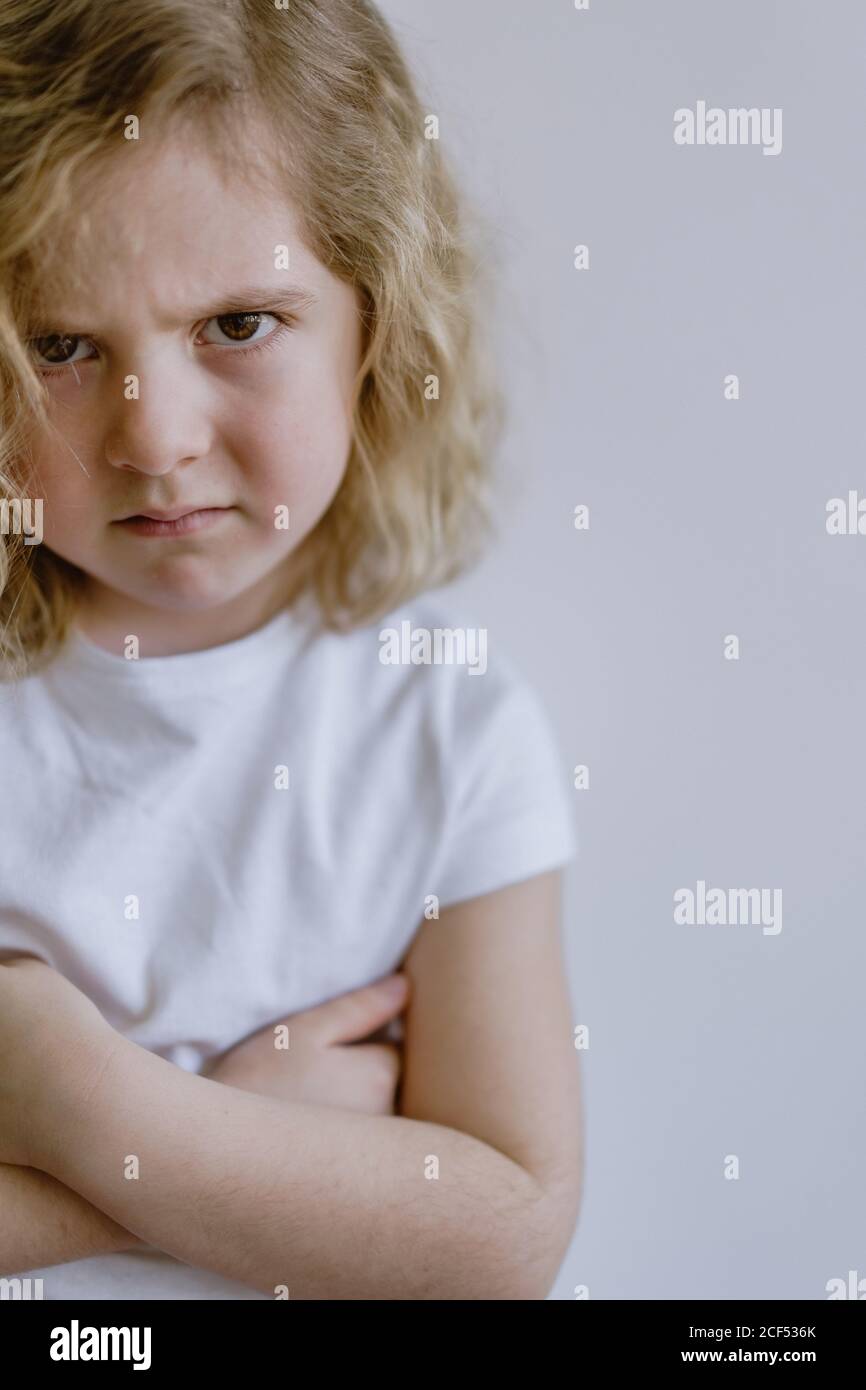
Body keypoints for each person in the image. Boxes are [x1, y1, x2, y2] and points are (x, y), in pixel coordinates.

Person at [0, 0, 582, 1299]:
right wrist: (245, 1137)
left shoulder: (449, 732)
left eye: (237, 325)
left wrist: (77, 1089)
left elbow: (501, 1237)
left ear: (375, 325)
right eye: (60, 346)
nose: (155, 438)